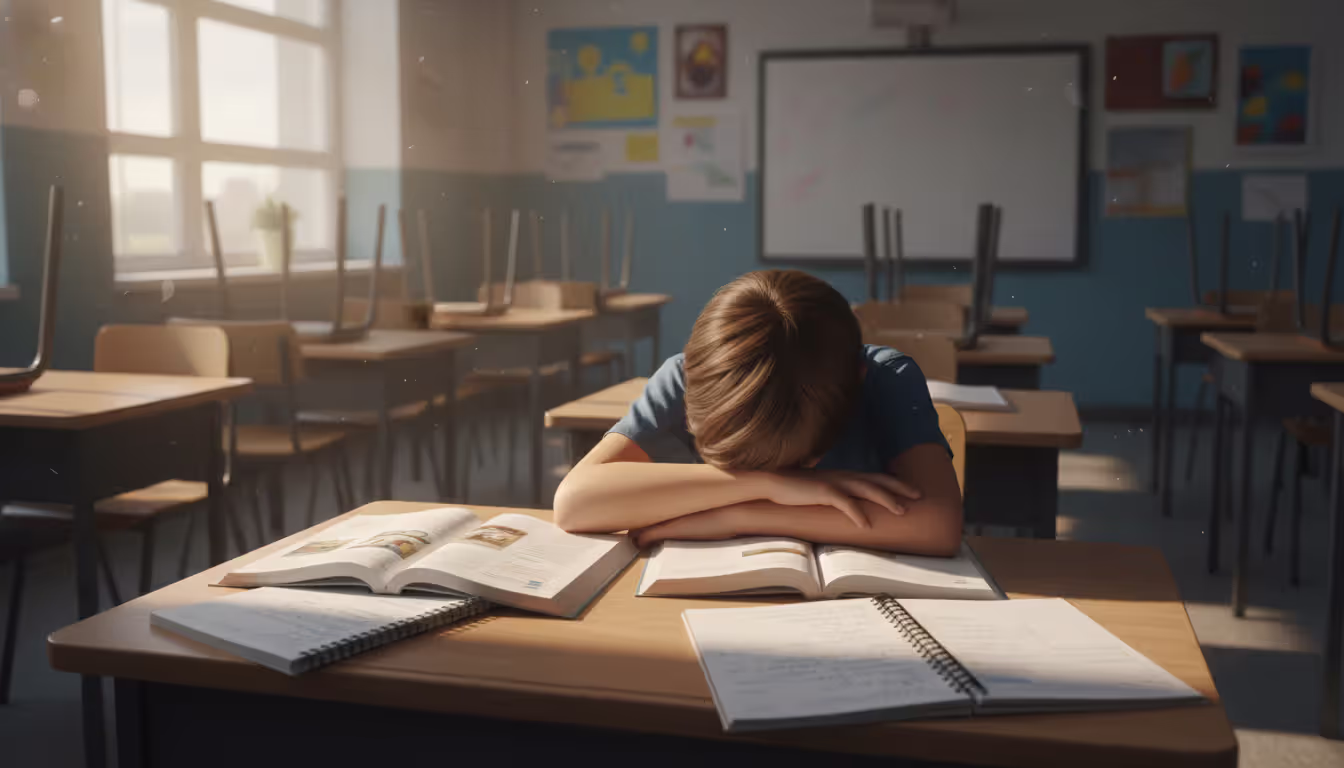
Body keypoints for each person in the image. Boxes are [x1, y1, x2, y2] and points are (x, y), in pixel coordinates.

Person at [554, 270, 963, 556]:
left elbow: (938, 525)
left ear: (854, 381)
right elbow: (576, 502)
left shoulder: (883, 378)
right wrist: (768, 483)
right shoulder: (693, 376)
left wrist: (740, 514)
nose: (788, 475)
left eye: (799, 466)